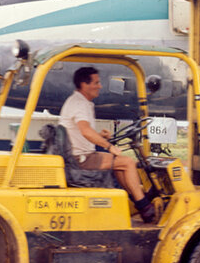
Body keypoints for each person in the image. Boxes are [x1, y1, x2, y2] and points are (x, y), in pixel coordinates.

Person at [59, 67, 156, 222]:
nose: (100, 86)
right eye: (96, 83)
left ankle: (134, 199)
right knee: (128, 162)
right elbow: (85, 131)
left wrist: (99, 136)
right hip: (81, 159)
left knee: (119, 163)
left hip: (80, 155)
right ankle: (145, 207)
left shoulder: (79, 102)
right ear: (84, 84)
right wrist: (109, 146)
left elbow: (80, 132)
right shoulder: (80, 104)